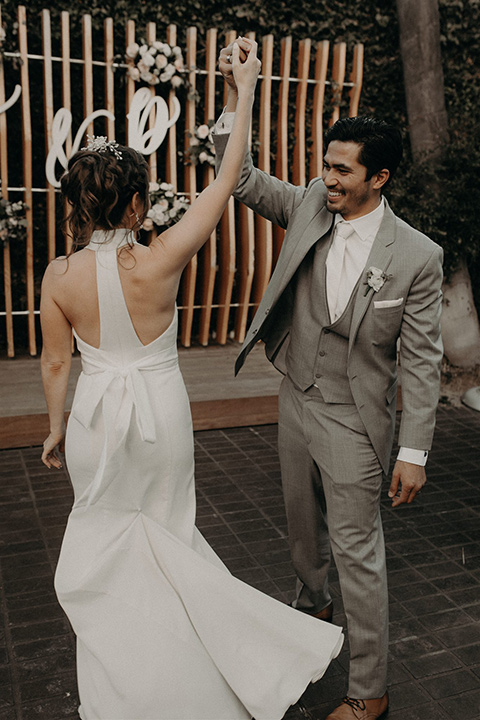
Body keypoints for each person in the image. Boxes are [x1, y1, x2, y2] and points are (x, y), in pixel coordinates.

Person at [40, 41, 343, 720]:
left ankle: (128, 683)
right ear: (135, 206)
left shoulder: (57, 278)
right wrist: (245, 87)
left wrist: (57, 426)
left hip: (94, 421)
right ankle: (204, 677)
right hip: (160, 417)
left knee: (110, 549)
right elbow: (227, 176)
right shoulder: (163, 257)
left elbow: (57, 364)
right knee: (172, 538)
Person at [215, 37, 443, 720]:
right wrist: (241, 89)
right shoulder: (312, 202)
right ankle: (310, 608)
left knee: (358, 554)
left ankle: (370, 693)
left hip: (354, 417)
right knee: (300, 531)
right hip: (295, 399)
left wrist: (414, 451)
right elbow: (244, 176)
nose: (328, 179)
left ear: (380, 178)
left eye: (343, 171)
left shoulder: (419, 257)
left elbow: (425, 359)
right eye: (326, 166)